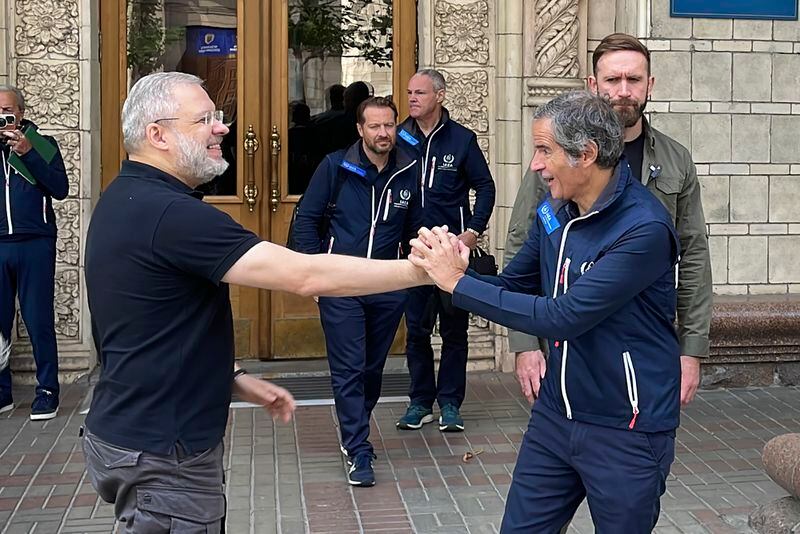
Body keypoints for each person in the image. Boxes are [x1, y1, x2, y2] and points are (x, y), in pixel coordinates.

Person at [83, 72, 430, 532]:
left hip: (136, 434)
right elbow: (305, 274)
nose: (222, 128)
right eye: (204, 119)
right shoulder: (172, 214)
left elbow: (149, 323)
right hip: (165, 453)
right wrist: (420, 271)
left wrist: (232, 378)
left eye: (218, 116)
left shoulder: (127, 196)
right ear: (157, 135)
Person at [410, 91, 681, 533]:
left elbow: (563, 316)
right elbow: (514, 285)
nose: (535, 164)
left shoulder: (643, 229)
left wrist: (457, 284)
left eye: (544, 150)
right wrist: (453, 266)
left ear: (586, 154)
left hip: (625, 428)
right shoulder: (555, 210)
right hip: (555, 417)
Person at [505, 33, 712, 410]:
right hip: (570, 340)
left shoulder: (676, 159)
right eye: (612, 80)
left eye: (633, 80)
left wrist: (692, 348)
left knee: (634, 452)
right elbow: (523, 244)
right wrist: (524, 343)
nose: (623, 91)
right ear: (592, 85)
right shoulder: (560, 157)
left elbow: (694, 254)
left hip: (644, 344)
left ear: (649, 85)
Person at [293, 96, 423, 487]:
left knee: (371, 368)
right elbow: (306, 223)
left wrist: (411, 274)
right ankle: (358, 448)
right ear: (359, 129)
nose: (383, 133)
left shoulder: (408, 169)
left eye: (389, 126)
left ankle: (355, 429)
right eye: (374, 126)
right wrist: (314, 273)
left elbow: (415, 229)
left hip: (387, 285)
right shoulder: (335, 167)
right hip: (340, 283)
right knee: (349, 369)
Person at [395, 68, 495, 432]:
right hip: (413, 253)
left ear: (439, 95)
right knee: (417, 330)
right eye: (409, 92)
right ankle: (420, 401)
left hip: (451, 254)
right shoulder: (399, 137)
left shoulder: (462, 140)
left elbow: (485, 187)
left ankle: (451, 403)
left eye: (420, 92)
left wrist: (471, 234)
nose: (412, 99)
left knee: (455, 330)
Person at [0, 84, 68, 420]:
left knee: (38, 318)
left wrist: (27, 152)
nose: (3, 117)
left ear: (21, 113)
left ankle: (47, 392)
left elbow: (60, 189)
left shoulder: (42, 144)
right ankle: (2, 393)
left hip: (35, 243)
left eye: (8, 111)